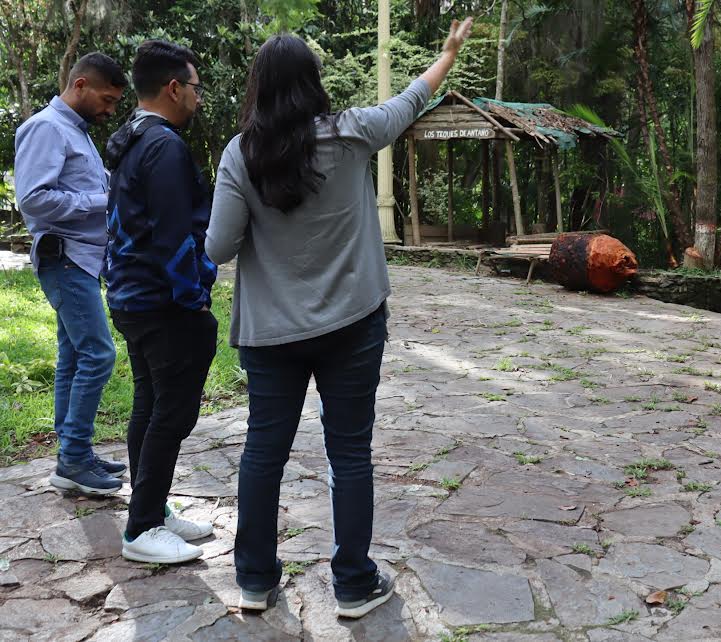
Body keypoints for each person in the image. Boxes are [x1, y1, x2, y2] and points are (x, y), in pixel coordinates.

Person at [206, 18, 473, 617]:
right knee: (349, 452)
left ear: (258, 88)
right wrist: (449, 52)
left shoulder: (239, 154)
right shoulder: (354, 133)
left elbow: (218, 249)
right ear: (313, 83)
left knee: (262, 452)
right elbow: (412, 98)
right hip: (353, 325)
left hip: (271, 333)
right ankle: (353, 583)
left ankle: (253, 579)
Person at [103, 40, 217, 564]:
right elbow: (174, 238)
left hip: (129, 296)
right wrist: (194, 297)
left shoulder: (130, 138)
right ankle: (143, 526)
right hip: (161, 302)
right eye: (195, 87)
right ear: (174, 88)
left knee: (150, 404)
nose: (198, 97)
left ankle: (153, 511)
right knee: (171, 411)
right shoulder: (165, 146)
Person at [14, 53, 129, 496]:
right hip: (64, 259)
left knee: (74, 358)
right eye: (106, 99)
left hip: (80, 259)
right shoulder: (46, 128)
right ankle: (74, 459)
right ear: (80, 85)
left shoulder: (76, 131)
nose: (110, 109)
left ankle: (73, 453)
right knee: (99, 355)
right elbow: (34, 200)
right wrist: (104, 202)